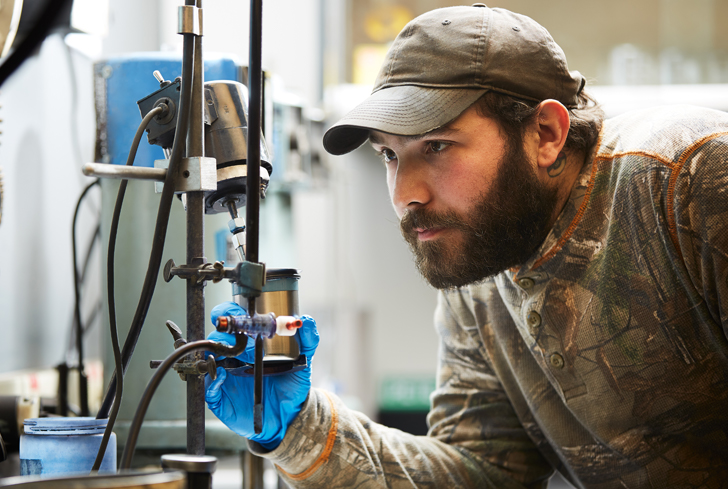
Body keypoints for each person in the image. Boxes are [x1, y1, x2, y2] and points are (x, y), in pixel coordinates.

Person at [205, 5, 728, 488]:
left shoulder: (690, 180)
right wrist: (300, 429)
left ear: (545, 133)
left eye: (437, 145)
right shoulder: (482, 261)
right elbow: (484, 471)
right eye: (390, 155)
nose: (406, 196)